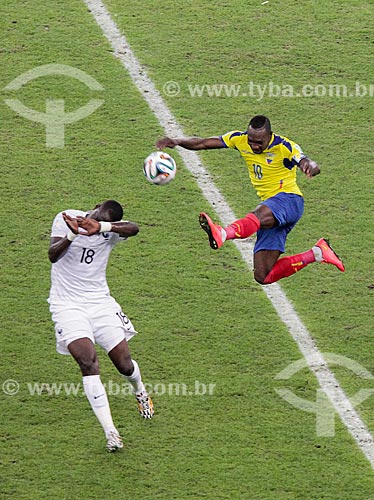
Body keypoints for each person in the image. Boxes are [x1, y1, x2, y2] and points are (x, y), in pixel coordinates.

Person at [156, 115, 344, 284]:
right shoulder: (240, 139)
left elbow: (305, 160)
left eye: (259, 142)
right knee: (263, 275)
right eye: (251, 140)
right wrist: (176, 141)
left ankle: (223, 234)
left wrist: (310, 167)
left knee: (258, 214)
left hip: (289, 200)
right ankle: (317, 253)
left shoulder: (284, 146)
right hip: (273, 208)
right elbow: (203, 143)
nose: (254, 146)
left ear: (269, 136)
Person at [48, 199, 154, 452]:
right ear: (93, 205)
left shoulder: (110, 232)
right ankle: (111, 433)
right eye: (97, 213)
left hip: (100, 304)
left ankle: (139, 390)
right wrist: (73, 234)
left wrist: (103, 227)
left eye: (104, 217)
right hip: (67, 306)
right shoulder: (67, 216)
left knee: (124, 364)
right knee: (88, 362)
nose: (96, 216)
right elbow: (53, 255)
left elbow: (134, 228)